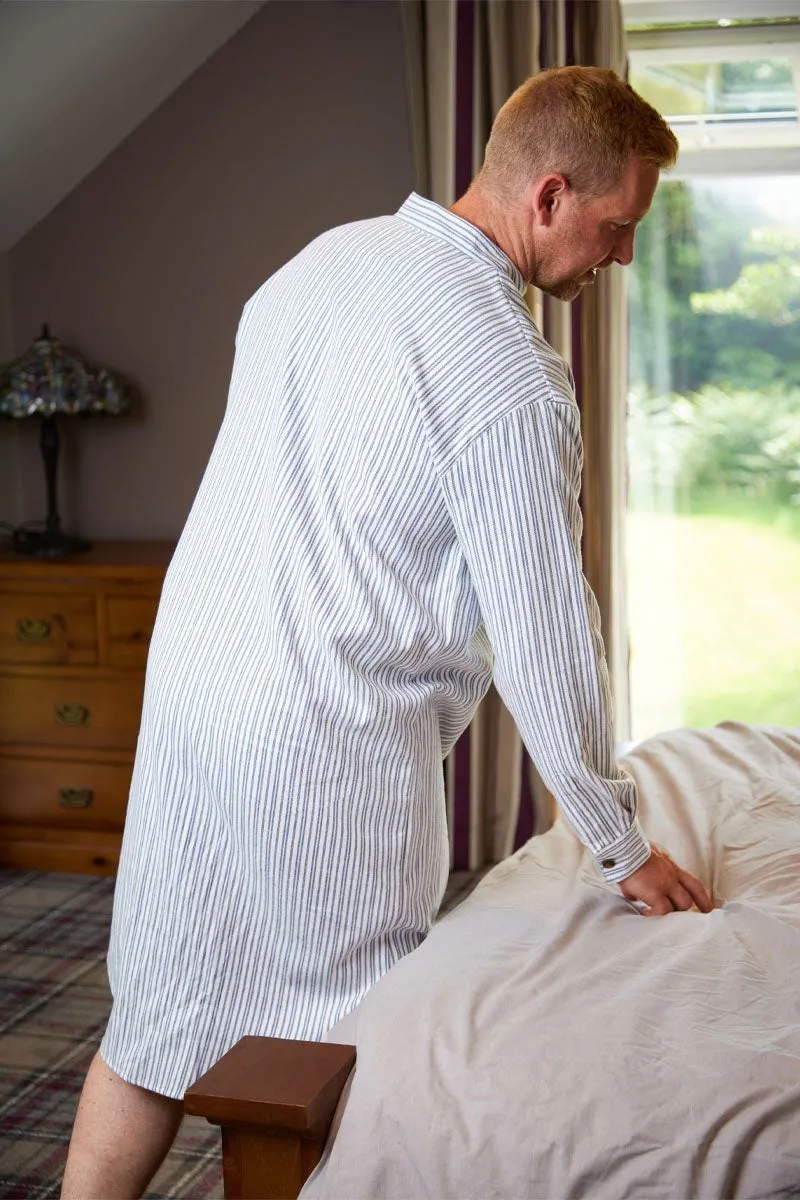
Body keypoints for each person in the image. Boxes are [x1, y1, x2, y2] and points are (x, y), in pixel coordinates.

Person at [62, 65, 713, 1198]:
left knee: (159, 1016)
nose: (616, 259)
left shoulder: (319, 265)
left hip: (192, 696)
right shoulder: (507, 376)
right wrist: (619, 842)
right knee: (336, 1051)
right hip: (327, 734)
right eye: (614, 229)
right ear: (549, 195)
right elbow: (544, 632)